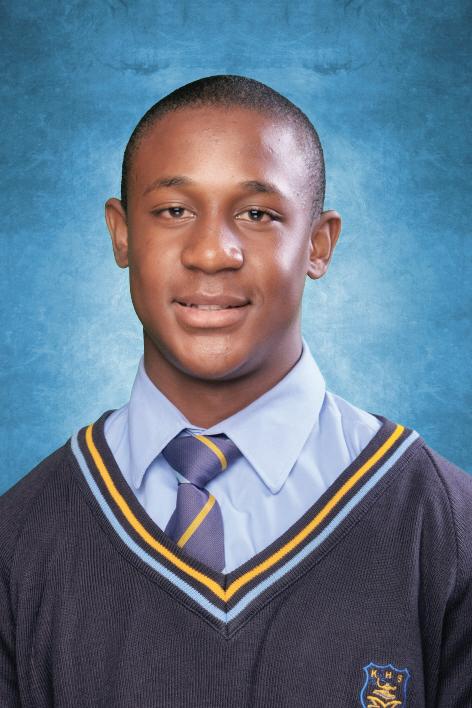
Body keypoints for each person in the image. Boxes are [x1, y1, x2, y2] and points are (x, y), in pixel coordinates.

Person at [0, 75, 470, 707]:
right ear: (121, 233)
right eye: (174, 211)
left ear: (319, 244)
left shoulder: (447, 529)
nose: (212, 253)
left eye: (257, 215)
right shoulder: (18, 542)